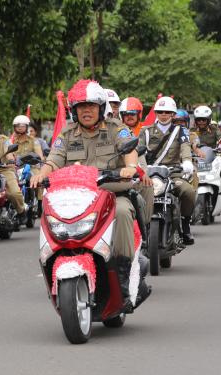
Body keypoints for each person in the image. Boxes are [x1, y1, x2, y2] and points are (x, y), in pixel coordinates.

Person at [32, 80, 149, 313]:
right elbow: (54, 159)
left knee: (125, 211)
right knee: (50, 212)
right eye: (81, 106)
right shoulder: (66, 133)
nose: (86, 111)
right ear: (74, 111)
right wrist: (41, 175)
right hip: (77, 195)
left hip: (111, 191)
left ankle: (124, 279)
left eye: (91, 106)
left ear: (101, 107)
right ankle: (54, 260)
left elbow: (130, 150)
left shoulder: (116, 128)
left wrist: (130, 167)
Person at [139, 96, 197, 245]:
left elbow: (185, 148)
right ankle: (138, 228)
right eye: (160, 112)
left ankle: (185, 223)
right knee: (134, 195)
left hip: (173, 172)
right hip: (150, 173)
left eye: (167, 112)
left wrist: (187, 162)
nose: (163, 115)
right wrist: (142, 169)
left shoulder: (181, 131)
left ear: (172, 114)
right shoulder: (145, 131)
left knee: (188, 191)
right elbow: (138, 152)